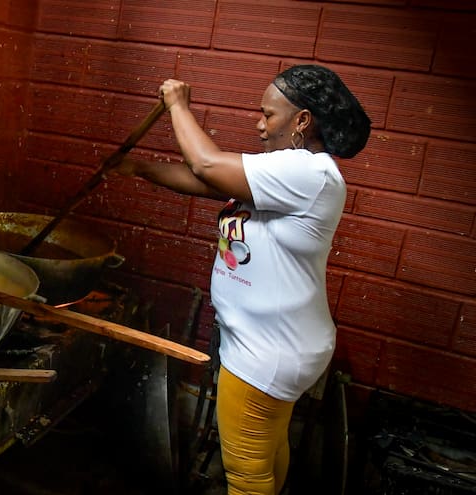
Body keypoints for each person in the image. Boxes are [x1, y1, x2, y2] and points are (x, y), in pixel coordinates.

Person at [112, 65, 371, 494]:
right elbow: (202, 180)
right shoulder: (287, 173)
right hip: (281, 342)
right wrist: (138, 167)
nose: (259, 124)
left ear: (302, 120)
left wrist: (178, 105)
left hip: (264, 352)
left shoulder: (310, 173)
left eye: (267, 115)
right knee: (267, 453)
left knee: (246, 478)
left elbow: (206, 162)